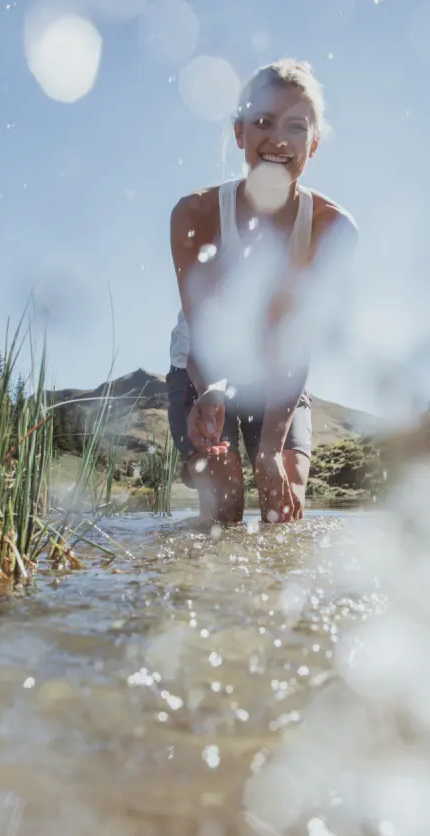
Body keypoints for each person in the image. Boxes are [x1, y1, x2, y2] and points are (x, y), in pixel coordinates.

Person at [166, 58, 358, 526]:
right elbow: (199, 328)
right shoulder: (195, 214)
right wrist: (209, 391)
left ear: (312, 144)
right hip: (201, 368)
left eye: (296, 126)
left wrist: (271, 449)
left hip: (281, 374)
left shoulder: (333, 229)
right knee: (224, 508)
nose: (278, 138)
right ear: (239, 133)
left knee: (283, 503)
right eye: (264, 122)